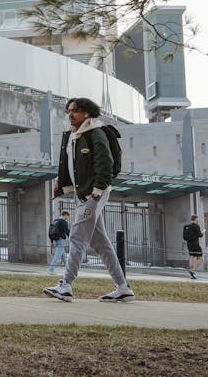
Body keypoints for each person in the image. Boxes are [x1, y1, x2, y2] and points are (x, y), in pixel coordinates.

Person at [43, 97, 135, 303]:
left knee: (77, 236)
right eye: (68, 111)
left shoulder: (96, 133)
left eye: (74, 110)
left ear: (86, 113)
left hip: (94, 193)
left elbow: (105, 163)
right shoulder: (72, 136)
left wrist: (98, 189)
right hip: (83, 194)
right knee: (100, 242)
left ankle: (66, 285)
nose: (70, 114)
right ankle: (122, 287)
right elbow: (69, 164)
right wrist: (62, 182)